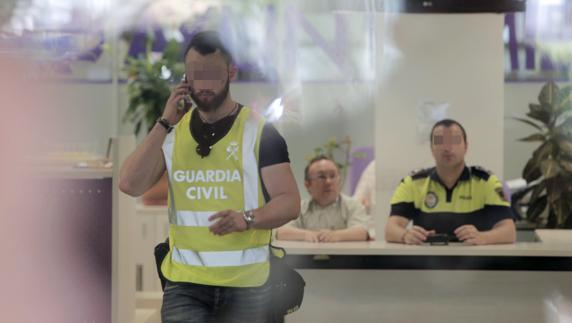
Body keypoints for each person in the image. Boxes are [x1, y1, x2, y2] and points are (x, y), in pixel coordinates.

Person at [119, 31, 300, 323]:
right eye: (194, 74)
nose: (202, 84)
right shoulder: (173, 133)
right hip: (185, 285)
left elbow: (290, 202)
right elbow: (129, 184)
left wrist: (248, 219)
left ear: (231, 72)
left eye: (212, 74)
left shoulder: (260, 133)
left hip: (247, 286)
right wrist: (164, 122)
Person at [385, 119, 516, 245]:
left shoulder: (489, 182)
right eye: (440, 141)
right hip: (425, 264)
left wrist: (483, 237)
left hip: (477, 264)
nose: (447, 147)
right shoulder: (412, 183)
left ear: (466, 146)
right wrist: (406, 235)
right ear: (431, 148)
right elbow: (391, 229)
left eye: (454, 140)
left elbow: (509, 231)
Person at [276, 156, 370, 242]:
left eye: (333, 176)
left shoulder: (353, 205)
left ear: (339, 180)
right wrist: (306, 235)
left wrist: (336, 235)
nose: (328, 182)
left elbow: (362, 232)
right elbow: (281, 232)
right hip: (305, 259)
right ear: (307, 185)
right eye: (321, 177)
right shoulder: (298, 208)